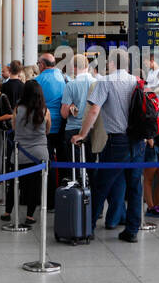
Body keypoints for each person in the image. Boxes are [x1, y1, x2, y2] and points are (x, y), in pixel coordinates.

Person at [71, 48, 145, 242]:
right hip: (137, 142)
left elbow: (94, 110)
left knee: (101, 185)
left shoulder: (105, 82)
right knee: (135, 187)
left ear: (111, 63)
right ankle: (132, 231)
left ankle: (88, 228)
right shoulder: (136, 81)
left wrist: (82, 134)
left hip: (117, 141)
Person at [12, 80, 50, 227]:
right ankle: (30, 215)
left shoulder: (17, 109)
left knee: (20, 184)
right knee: (36, 187)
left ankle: (11, 213)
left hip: (20, 153)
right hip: (39, 154)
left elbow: (14, 128)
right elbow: (47, 130)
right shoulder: (45, 111)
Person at [36, 54, 68, 199]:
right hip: (62, 125)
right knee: (63, 161)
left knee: (45, 163)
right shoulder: (65, 78)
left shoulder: (38, 81)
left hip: (45, 126)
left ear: (42, 65)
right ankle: (63, 193)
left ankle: (48, 197)